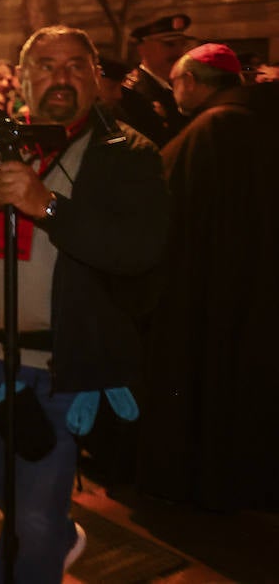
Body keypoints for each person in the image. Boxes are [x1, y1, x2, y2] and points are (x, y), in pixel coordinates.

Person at [0, 25, 167, 583]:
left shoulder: (125, 153)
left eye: (76, 65)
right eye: (47, 65)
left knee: (32, 513)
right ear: (22, 78)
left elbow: (140, 250)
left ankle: (40, 541)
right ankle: (53, 532)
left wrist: (49, 207)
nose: (62, 77)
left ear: (96, 77)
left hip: (56, 370)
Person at [136, 43, 279, 511]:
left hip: (209, 296)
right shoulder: (263, 117)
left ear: (192, 82)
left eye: (177, 82)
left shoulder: (208, 131)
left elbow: (162, 219)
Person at [119, 13, 193, 146]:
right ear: (143, 49)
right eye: (169, 45)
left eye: (182, 44)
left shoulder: (180, 86)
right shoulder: (133, 92)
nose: (179, 52)